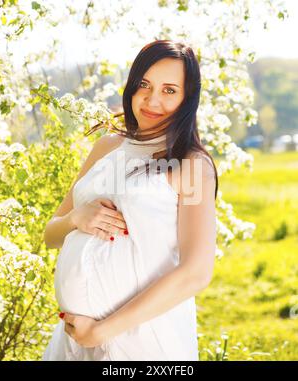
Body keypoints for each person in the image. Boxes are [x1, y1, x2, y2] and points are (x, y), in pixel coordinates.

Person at [42, 39, 218, 361]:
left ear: (187, 98)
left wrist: (100, 331)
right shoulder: (107, 147)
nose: (151, 100)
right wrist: (75, 219)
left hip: (140, 341)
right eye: (144, 85)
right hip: (74, 342)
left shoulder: (191, 165)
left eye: (169, 90)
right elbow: (49, 234)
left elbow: (196, 271)